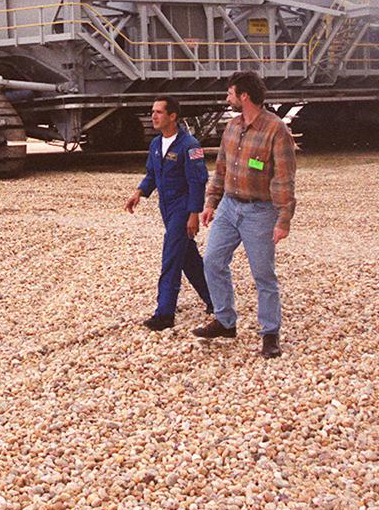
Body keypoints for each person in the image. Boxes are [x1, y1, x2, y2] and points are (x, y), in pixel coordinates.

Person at [195, 71, 297, 358]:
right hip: (229, 206)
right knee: (213, 261)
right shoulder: (232, 127)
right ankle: (225, 322)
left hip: (260, 211)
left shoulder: (276, 130)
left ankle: (269, 333)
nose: (227, 99)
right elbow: (221, 168)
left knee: (263, 275)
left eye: (230, 94)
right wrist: (211, 203)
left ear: (244, 96)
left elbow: (284, 178)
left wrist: (283, 219)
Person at [125, 96, 214, 330]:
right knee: (188, 258)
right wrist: (139, 193)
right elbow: (152, 175)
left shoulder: (190, 145)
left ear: (173, 116)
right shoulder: (156, 145)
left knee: (171, 258)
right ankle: (215, 298)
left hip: (183, 210)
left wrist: (194, 213)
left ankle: (164, 313)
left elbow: (198, 181)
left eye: (159, 112)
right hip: (166, 208)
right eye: (152, 112)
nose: (153, 116)